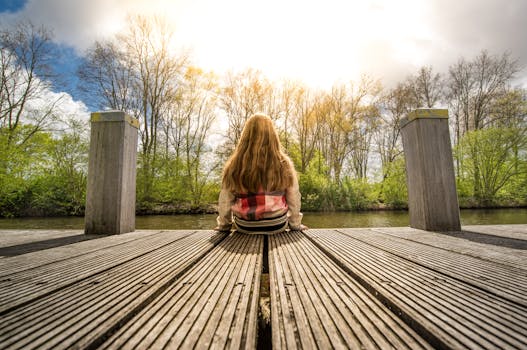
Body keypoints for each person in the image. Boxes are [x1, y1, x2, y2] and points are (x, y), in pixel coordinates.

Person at [215, 113, 307, 234]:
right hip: (276, 224)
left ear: (245, 136)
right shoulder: (283, 163)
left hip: (244, 226)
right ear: (273, 136)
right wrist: (295, 224)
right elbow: (293, 197)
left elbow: (225, 200)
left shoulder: (234, 164)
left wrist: (224, 225)